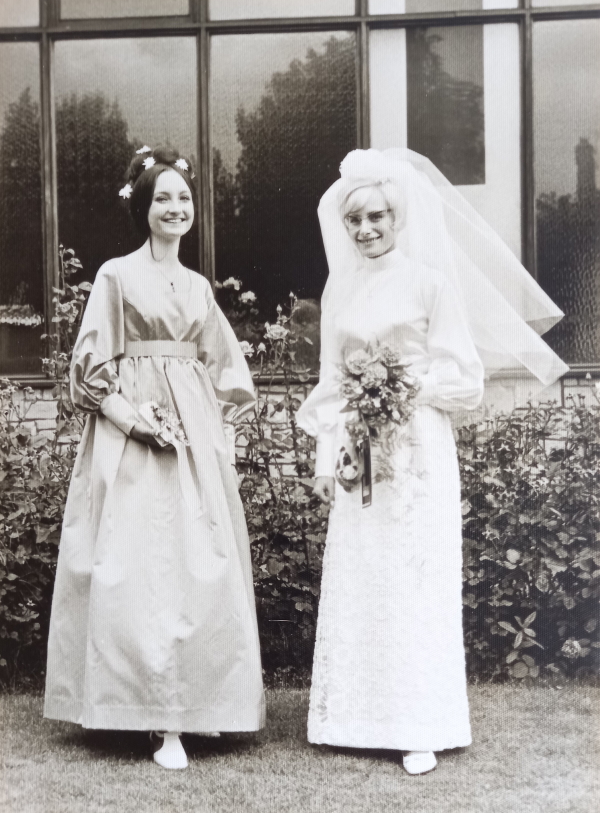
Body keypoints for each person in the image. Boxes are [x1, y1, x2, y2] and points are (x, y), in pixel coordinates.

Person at [296, 148, 568, 775]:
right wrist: (324, 454)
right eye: (355, 220)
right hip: (360, 454)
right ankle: (355, 718)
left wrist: (401, 386)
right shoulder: (340, 290)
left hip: (418, 449)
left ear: (399, 217)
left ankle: (420, 724)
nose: (366, 230)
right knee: (365, 573)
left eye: (377, 217)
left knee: (415, 574)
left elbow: (466, 380)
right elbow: (331, 380)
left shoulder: (429, 284)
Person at [44, 146, 265, 770]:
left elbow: (224, 365)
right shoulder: (116, 275)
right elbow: (90, 364)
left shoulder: (197, 287)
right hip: (133, 435)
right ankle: (150, 714)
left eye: (183, 198)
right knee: (137, 559)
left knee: (198, 561)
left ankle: (198, 704)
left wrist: (213, 424)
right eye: (162, 198)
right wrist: (132, 420)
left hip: (191, 438)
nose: (175, 208)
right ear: (143, 208)